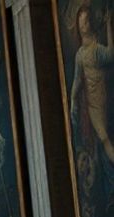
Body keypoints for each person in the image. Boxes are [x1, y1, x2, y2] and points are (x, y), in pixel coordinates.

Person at [70, 6, 114, 166]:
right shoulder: (80, 55)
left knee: (104, 137)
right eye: (81, 23)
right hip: (91, 104)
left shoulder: (95, 49)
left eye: (86, 22)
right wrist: (73, 99)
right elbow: (77, 81)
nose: (84, 26)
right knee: (103, 138)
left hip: (101, 97)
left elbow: (110, 55)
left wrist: (109, 24)